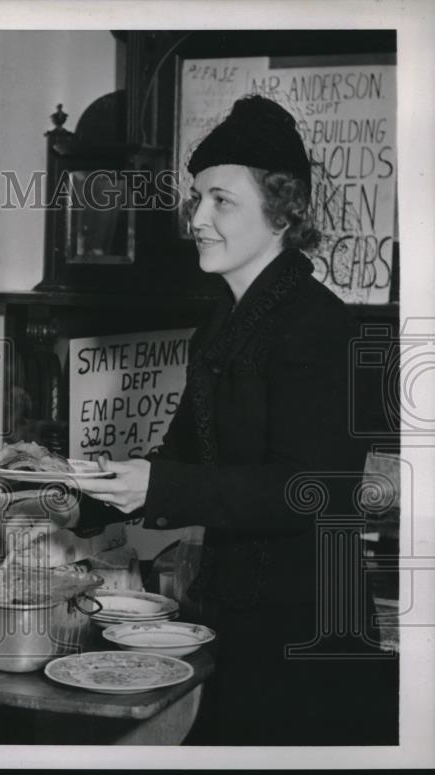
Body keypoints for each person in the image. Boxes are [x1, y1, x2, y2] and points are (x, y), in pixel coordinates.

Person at [72, 95, 397, 744]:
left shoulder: (319, 326)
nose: (198, 218)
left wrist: (156, 486)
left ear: (283, 211)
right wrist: (74, 492)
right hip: (230, 615)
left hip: (305, 633)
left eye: (221, 201)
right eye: (196, 200)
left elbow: (313, 488)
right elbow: (183, 461)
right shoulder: (222, 323)